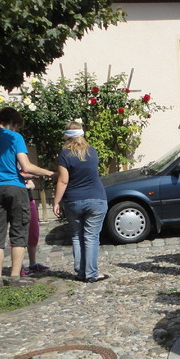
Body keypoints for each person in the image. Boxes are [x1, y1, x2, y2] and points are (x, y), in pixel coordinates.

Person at [0, 107, 54, 290]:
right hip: (16, 190)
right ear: (14, 123)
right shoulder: (14, 137)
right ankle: (14, 278)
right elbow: (27, 165)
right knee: (19, 233)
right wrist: (50, 173)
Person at [52, 121, 109, 283]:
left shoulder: (64, 155)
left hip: (74, 200)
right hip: (96, 199)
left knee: (77, 236)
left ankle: (80, 272)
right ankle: (91, 273)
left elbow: (63, 181)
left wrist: (56, 202)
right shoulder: (93, 152)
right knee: (91, 237)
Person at [19, 175, 49, 277]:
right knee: (19, 235)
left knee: (34, 233)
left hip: (29, 200)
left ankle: (33, 263)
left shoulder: (22, 167)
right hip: (17, 202)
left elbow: (31, 185)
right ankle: (19, 267)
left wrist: (27, 185)